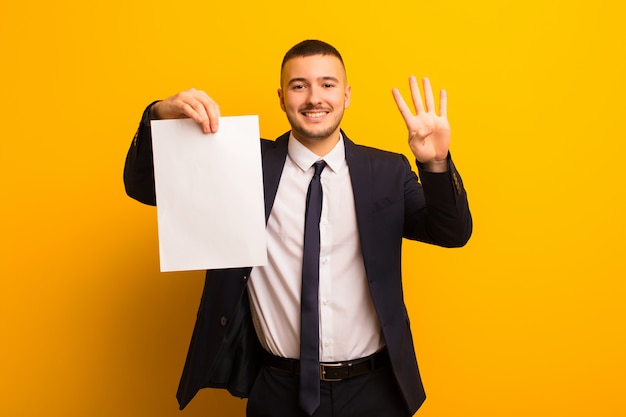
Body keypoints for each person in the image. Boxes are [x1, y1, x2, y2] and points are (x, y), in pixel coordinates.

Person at [124, 39, 472, 417]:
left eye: (327, 84)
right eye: (299, 85)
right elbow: (141, 185)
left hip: (376, 390)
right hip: (278, 389)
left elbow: (451, 233)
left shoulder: (387, 171)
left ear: (347, 94)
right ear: (281, 96)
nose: (314, 98)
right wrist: (159, 114)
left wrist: (435, 164)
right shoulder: (241, 166)